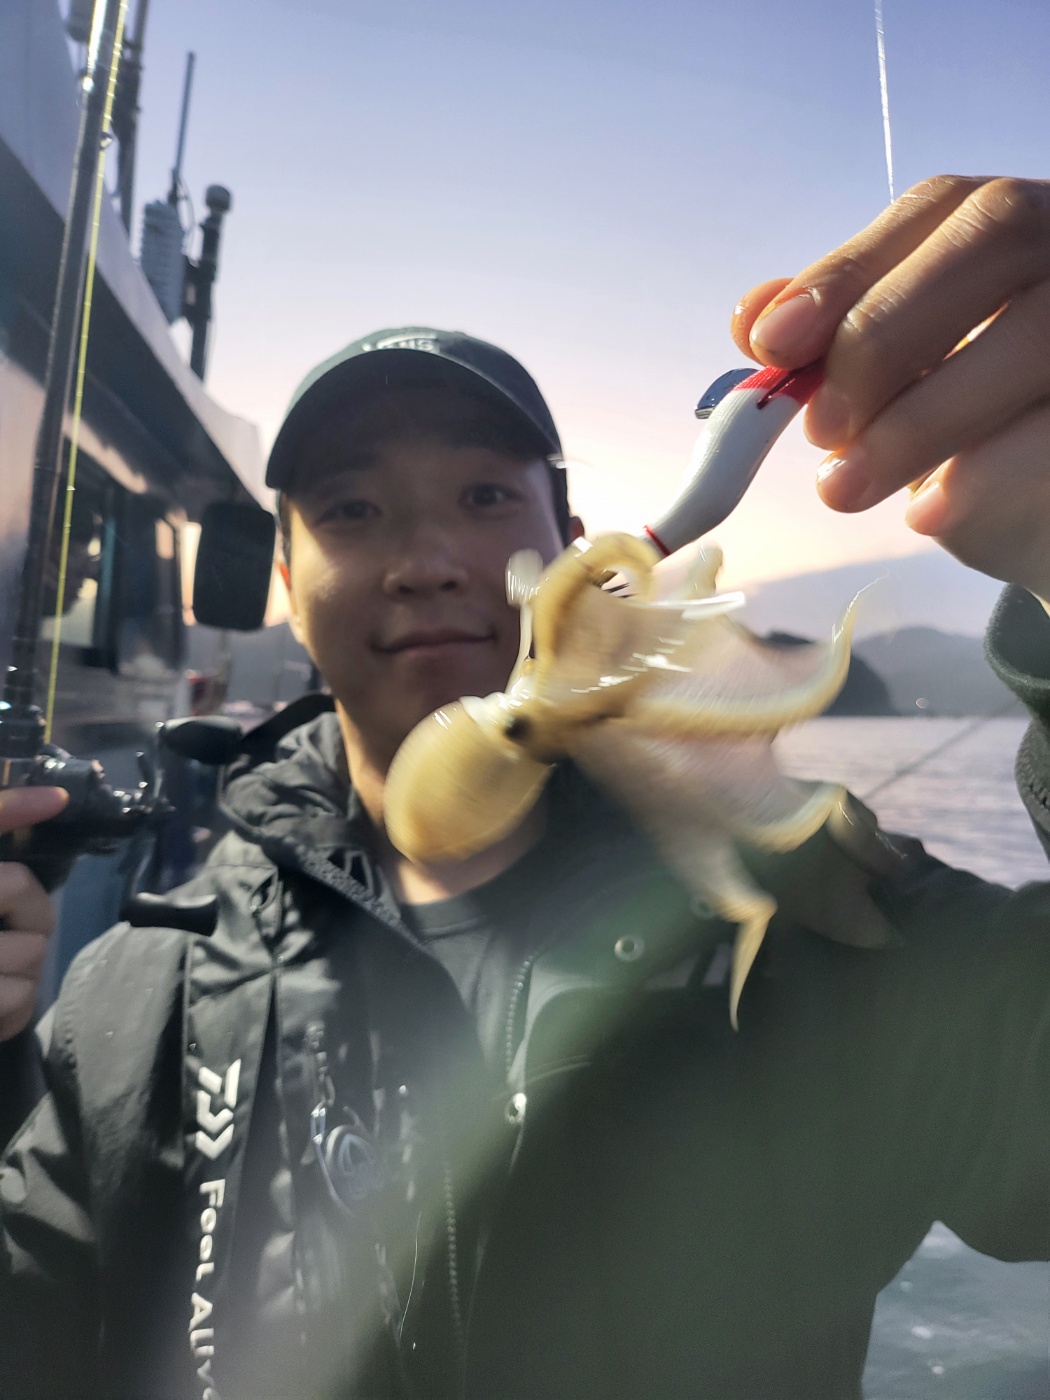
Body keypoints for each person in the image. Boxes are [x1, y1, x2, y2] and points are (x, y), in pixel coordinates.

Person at [1, 174, 1049, 1399]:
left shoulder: (823, 917)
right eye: (352, 509)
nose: (429, 559)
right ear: (285, 573)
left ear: (567, 545)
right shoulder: (138, 987)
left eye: (487, 495)